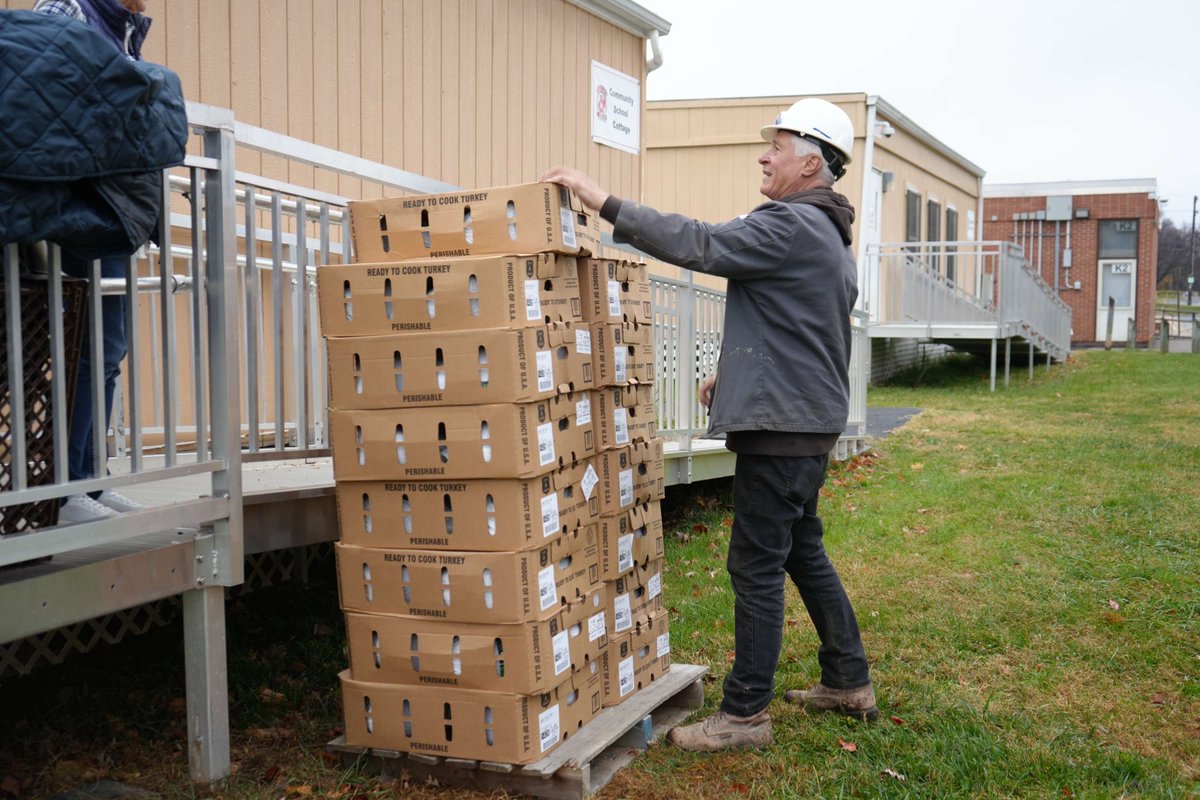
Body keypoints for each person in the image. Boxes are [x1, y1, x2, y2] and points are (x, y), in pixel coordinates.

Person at [540, 97, 877, 752]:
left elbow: (703, 244)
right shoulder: (829, 237)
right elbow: (803, 332)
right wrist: (736, 377)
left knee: (755, 566)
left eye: (775, 147)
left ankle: (745, 715)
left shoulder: (789, 223)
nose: (764, 155)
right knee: (802, 552)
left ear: (809, 163)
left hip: (783, 433)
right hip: (805, 426)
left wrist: (603, 200)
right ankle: (847, 680)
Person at [35, 0, 151, 524]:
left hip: (109, 207)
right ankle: (65, 492)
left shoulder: (120, 25)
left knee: (107, 349)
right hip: (79, 206)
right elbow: (48, 93)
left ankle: (90, 482)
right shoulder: (67, 8)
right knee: (87, 347)